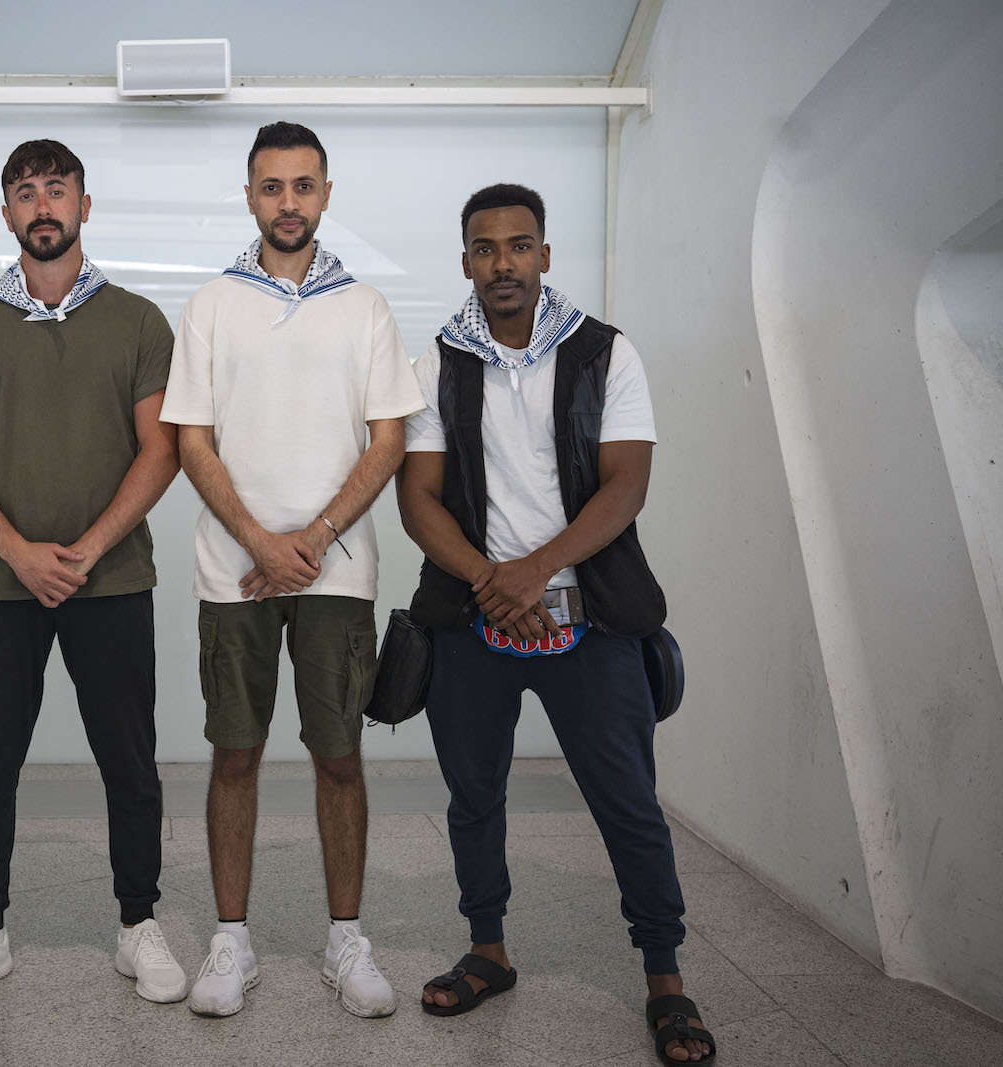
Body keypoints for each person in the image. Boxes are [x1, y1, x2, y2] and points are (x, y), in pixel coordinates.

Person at [396, 183, 716, 1064]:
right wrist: (490, 579)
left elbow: (626, 485)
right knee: (474, 798)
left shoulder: (608, 354)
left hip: (593, 621)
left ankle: (665, 979)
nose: (503, 262)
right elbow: (417, 499)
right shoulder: (436, 363)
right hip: (472, 620)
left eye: (520, 244)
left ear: (544, 253)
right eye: (485, 248)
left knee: (627, 804)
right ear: (466, 260)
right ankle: (488, 950)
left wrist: (533, 571)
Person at [160, 121, 424, 1019]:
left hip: (337, 573)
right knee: (234, 752)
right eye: (271, 186)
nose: (287, 201)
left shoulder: (368, 308)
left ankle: (344, 937)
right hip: (232, 572)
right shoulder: (209, 305)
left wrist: (310, 538)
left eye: (303, 185)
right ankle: (231, 938)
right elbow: (191, 441)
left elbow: (389, 439)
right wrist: (264, 544)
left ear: (325, 194)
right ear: (248, 197)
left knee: (339, 757)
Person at [0, 139, 187, 1007]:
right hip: (2, 585)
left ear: (84, 204)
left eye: (56, 190)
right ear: (6, 214)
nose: (43, 205)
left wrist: (86, 549)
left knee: (130, 762)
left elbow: (162, 450)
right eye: (25, 193)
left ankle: (137, 923)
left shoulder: (141, 320)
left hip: (111, 582)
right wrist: (21, 552)